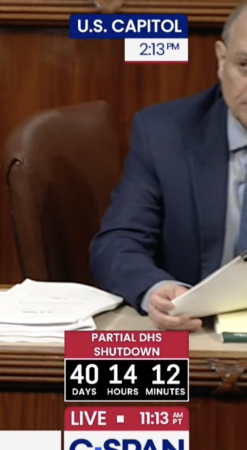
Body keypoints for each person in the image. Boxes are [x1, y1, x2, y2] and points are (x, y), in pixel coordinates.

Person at [90, 4, 247, 330]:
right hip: (196, 340)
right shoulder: (163, 133)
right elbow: (119, 242)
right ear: (221, 60)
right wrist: (156, 289)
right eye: (245, 66)